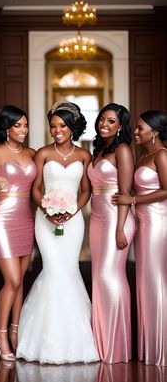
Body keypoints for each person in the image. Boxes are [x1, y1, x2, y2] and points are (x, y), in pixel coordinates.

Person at [16, 101, 99, 364]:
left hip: (73, 221)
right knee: (52, 269)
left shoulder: (85, 155)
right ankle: (42, 341)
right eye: (52, 126)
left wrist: (73, 210)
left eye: (62, 126)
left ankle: (76, 341)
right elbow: (36, 189)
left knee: (69, 269)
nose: (56, 131)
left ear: (72, 127)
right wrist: (48, 210)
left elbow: (86, 190)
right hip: (46, 219)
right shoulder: (42, 153)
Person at [112, 110, 167, 366]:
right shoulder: (144, 154)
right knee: (145, 282)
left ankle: (161, 351)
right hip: (144, 222)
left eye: (140, 128)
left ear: (155, 132)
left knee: (155, 281)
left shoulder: (162, 155)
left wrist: (131, 199)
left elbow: (166, 191)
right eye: (135, 128)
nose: (135, 132)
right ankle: (149, 349)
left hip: (158, 223)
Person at [0, 105, 36, 361]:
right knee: (12, 280)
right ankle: (1, 333)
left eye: (25, 125)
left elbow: (37, 189)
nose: (24, 130)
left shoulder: (32, 153)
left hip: (26, 218)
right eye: (18, 125)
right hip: (1, 219)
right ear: (6, 128)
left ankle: (16, 330)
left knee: (21, 280)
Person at [87, 103, 135, 363]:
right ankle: (101, 342)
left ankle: (117, 346)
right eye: (102, 119)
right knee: (99, 278)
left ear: (120, 126)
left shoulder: (123, 150)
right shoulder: (99, 148)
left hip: (117, 219)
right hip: (97, 219)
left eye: (111, 121)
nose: (104, 124)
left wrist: (119, 228)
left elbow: (126, 194)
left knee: (110, 277)